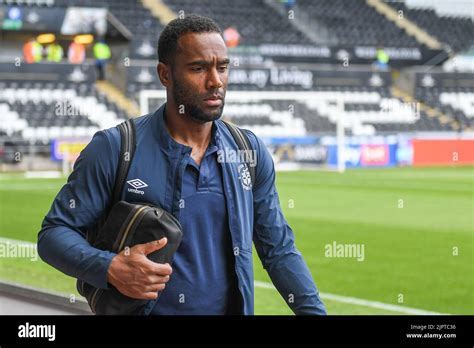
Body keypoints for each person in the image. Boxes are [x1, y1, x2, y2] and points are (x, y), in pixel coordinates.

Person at [37, 14, 326, 315]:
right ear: (165, 74)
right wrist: (110, 267)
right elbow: (54, 234)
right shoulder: (115, 148)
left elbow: (278, 250)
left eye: (222, 67)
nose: (215, 81)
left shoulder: (247, 151)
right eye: (198, 68)